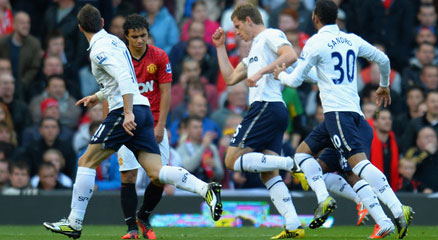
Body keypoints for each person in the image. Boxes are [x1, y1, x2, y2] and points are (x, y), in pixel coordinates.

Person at [43, 5, 222, 239]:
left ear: (79, 28)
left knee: (86, 161)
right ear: (103, 21)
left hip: (125, 111)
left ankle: (74, 222)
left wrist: (127, 113)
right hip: (145, 109)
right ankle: (205, 189)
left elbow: (125, 77)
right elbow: (119, 78)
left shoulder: (98, 49)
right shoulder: (116, 42)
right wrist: (98, 96)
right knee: (157, 173)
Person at [274, 1, 414, 239]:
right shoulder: (351, 39)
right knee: (302, 155)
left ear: (315, 18)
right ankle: (373, 218)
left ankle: (397, 207)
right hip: (350, 114)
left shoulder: (315, 43)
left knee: (358, 166)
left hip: (338, 115)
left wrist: (281, 75)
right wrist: (384, 86)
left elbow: (295, 82)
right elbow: (383, 60)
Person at [212, 3, 305, 238]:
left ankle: (290, 164)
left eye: (237, 26)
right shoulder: (254, 49)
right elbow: (231, 77)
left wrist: (260, 72)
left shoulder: (270, 35)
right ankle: (293, 225)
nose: (236, 32)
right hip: (273, 110)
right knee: (268, 173)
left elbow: (291, 54)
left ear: (248, 20)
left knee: (231, 159)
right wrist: (220, 47)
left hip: (265, 106)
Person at [113, 14, 175, 239]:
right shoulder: (119, 58)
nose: (140, 40)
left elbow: (167, 92)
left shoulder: (159, 56)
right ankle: (131, 229)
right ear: (126, 37)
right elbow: (112, 91)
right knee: (128, 176)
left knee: (160, 177)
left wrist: (161, 125)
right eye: (135, 37)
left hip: (153, 122)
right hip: (126, 122)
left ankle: (144, 215)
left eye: (143, 36)